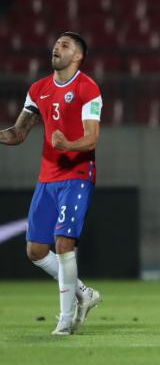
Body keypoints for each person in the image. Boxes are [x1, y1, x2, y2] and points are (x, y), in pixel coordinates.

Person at [0, 32, 102, 335]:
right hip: (47, 177)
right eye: (57, 43)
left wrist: (68, 144)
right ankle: (83, 293)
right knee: (35, 251)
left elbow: (93, 138)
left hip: (77, 174)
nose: (57, 47)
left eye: (66, 45)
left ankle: (64, 319)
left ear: (78, 57)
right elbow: (18, 133)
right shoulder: (38, 89)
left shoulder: (88, 88)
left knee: (62, 244)